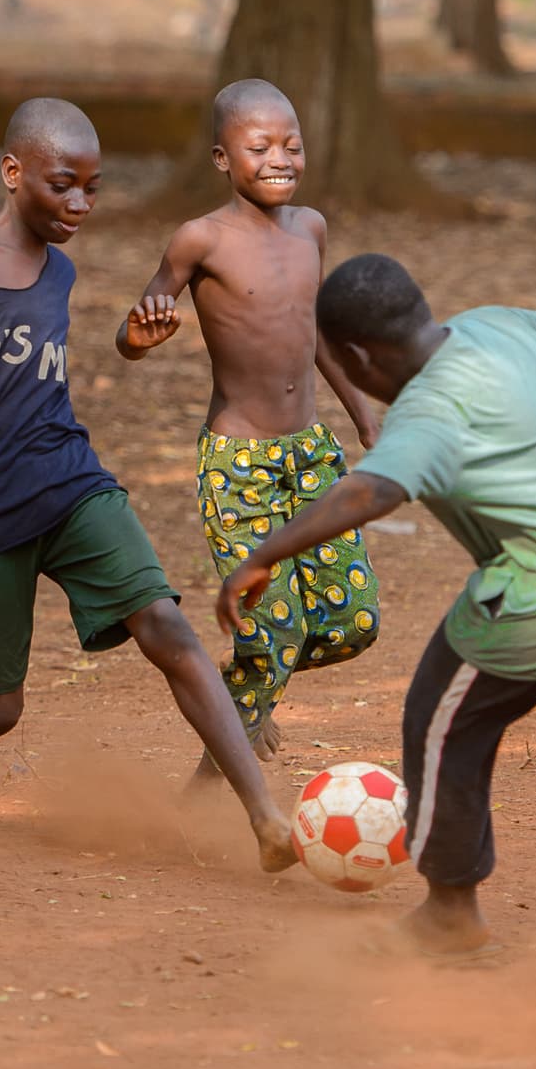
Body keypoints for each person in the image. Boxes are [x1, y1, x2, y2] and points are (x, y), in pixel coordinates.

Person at [215, 253, 536, 991]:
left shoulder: (430, 412)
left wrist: (261, 555)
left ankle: (450, 917)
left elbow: (370, 493)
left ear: (360, 358)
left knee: (441, 718)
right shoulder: (500, 328)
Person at [0, 97, 296, 872]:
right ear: (13, 173)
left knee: (169, 626)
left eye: (93, 187)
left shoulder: (62, 269)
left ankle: (266, 817)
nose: (80, 204)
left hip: (68, 480)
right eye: (63, 185)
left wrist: (138, 342)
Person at [115, 78, 383, 769]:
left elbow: (312, 328)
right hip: (241, 466)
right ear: (221, 158)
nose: (279, 159)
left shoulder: (312, 229)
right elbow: (138, 322)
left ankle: (253, 690)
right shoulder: (199, 239)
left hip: (313, 455)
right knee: (278, 624)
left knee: (353, 624)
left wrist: (362, 412)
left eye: (292, 145)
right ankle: (227, 755)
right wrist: (140, 337)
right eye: (259, 146)